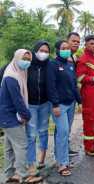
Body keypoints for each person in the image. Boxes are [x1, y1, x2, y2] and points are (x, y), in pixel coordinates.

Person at [0, 49, 43, 183]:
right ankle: (23, 175)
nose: (26, 62)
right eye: (24, 59)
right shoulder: (12, 77)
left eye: (29, 60)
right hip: (10, 117)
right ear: (16, 58)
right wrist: (26, 115)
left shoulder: (18, 73)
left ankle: (9, 175)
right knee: (21, 145)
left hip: (6, 116)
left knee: (9, 147)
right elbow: (17, 100)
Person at [47, 40, 81, 176]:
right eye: (63, 48)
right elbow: (51, 86)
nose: (66, 50)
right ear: (57, 50)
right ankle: (62, 164)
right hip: (59, 105)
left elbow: (74, 85)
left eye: (67, 48)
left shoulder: (70, 64)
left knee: (64, 133)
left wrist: (80, 101)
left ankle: (61, 158)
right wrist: (55, 104)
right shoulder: (52, 64)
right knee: (63, 132)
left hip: (71, 103)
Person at [26, 41, 51, 174]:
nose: (44, 53)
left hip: (45, 104)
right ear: (35, 51)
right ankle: (31, 163)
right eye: (41, 50)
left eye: (46, 51)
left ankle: (42, 158)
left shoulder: (49, 65)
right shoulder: (28, 64)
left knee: (43, 130)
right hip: (30, 104)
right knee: (30, 134)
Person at [67, 32, 81, 156]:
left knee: (68, 126)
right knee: (62, 128)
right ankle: (60, 152)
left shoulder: (74, 58)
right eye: (73, 41)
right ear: (67, 41)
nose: (76, 43)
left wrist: (79, 100)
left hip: (71, 99)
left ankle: (66, 148)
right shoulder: (62, 57)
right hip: (61, 101)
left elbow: (74, 80)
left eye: (78, 41)